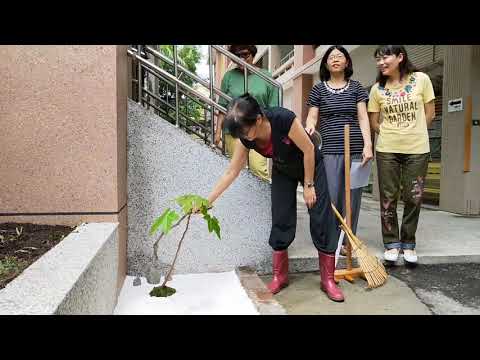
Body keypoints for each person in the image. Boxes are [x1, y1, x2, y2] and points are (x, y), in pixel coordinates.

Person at [206, 94, 344, 302]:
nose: (245, 137)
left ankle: (328, 279)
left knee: (320, 217)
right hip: (283, 169)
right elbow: (231, 172)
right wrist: (207, 201)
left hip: (311, 167)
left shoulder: (283, 119)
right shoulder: (246, 137)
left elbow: (308, 149)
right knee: (281, 217)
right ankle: (280, 276)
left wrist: (308, 185)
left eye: (246, 131)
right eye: (241, 134)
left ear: (259, 119)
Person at [368, 45, 436, 265]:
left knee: (413, 196)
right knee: (388, 197)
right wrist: (389, 133)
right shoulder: (378, 89)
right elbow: (373, 121)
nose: (381, 62)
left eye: (385, 57)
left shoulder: (421, 79)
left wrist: (414, 132)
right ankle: (391, 243)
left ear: (400, 57)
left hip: (417, 149)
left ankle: (408, 243)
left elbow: (430, 113)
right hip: (387, 149)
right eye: (377, 59)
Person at [305, 45, 373, 256]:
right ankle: (332, 239)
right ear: (326, 63)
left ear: (347, 62)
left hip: (355, 149)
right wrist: (308, 127)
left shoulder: (357, 88)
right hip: (330, 149)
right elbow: (313, 116)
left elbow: (363, 118)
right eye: (331, 57)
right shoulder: (318, 89)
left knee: (353, 197)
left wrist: (368, 145)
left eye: (339, 56)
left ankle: (348, 241)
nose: (335, 59)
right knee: (333, 196)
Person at [215, 45, 279, 181]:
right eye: (237, 56)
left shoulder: (266, 76)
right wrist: (217, 132)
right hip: (234, 130)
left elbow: (274, 108)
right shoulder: (229, 76)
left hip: (258, 130)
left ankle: (263, 201)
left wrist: (272, 133)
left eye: (245, 55)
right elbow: (222, 106)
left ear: (253, 54)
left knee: (259, 170)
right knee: (236, 171)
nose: (241, 59)